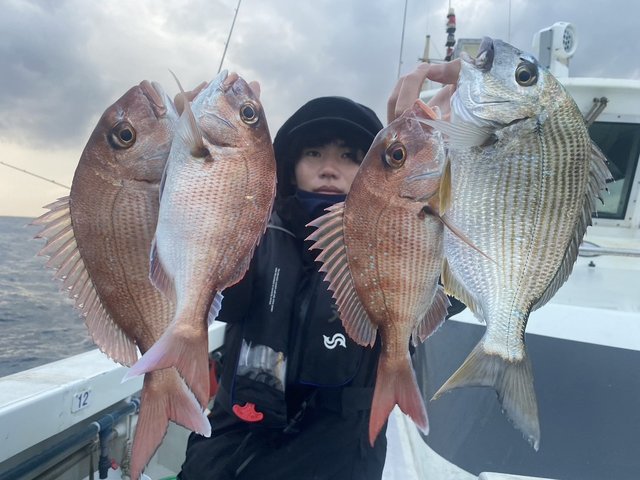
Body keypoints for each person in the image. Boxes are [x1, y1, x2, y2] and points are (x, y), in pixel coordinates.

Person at [177, 62, 461, 480]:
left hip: (336, 463)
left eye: (349, 156)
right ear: (290, 165)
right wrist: (180, 154)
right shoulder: (254, 234)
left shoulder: (410, 231)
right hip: (226, 458)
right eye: (313, 154)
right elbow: (215, 289)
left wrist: (454, 154)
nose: (329, 168)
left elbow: (464, 278)